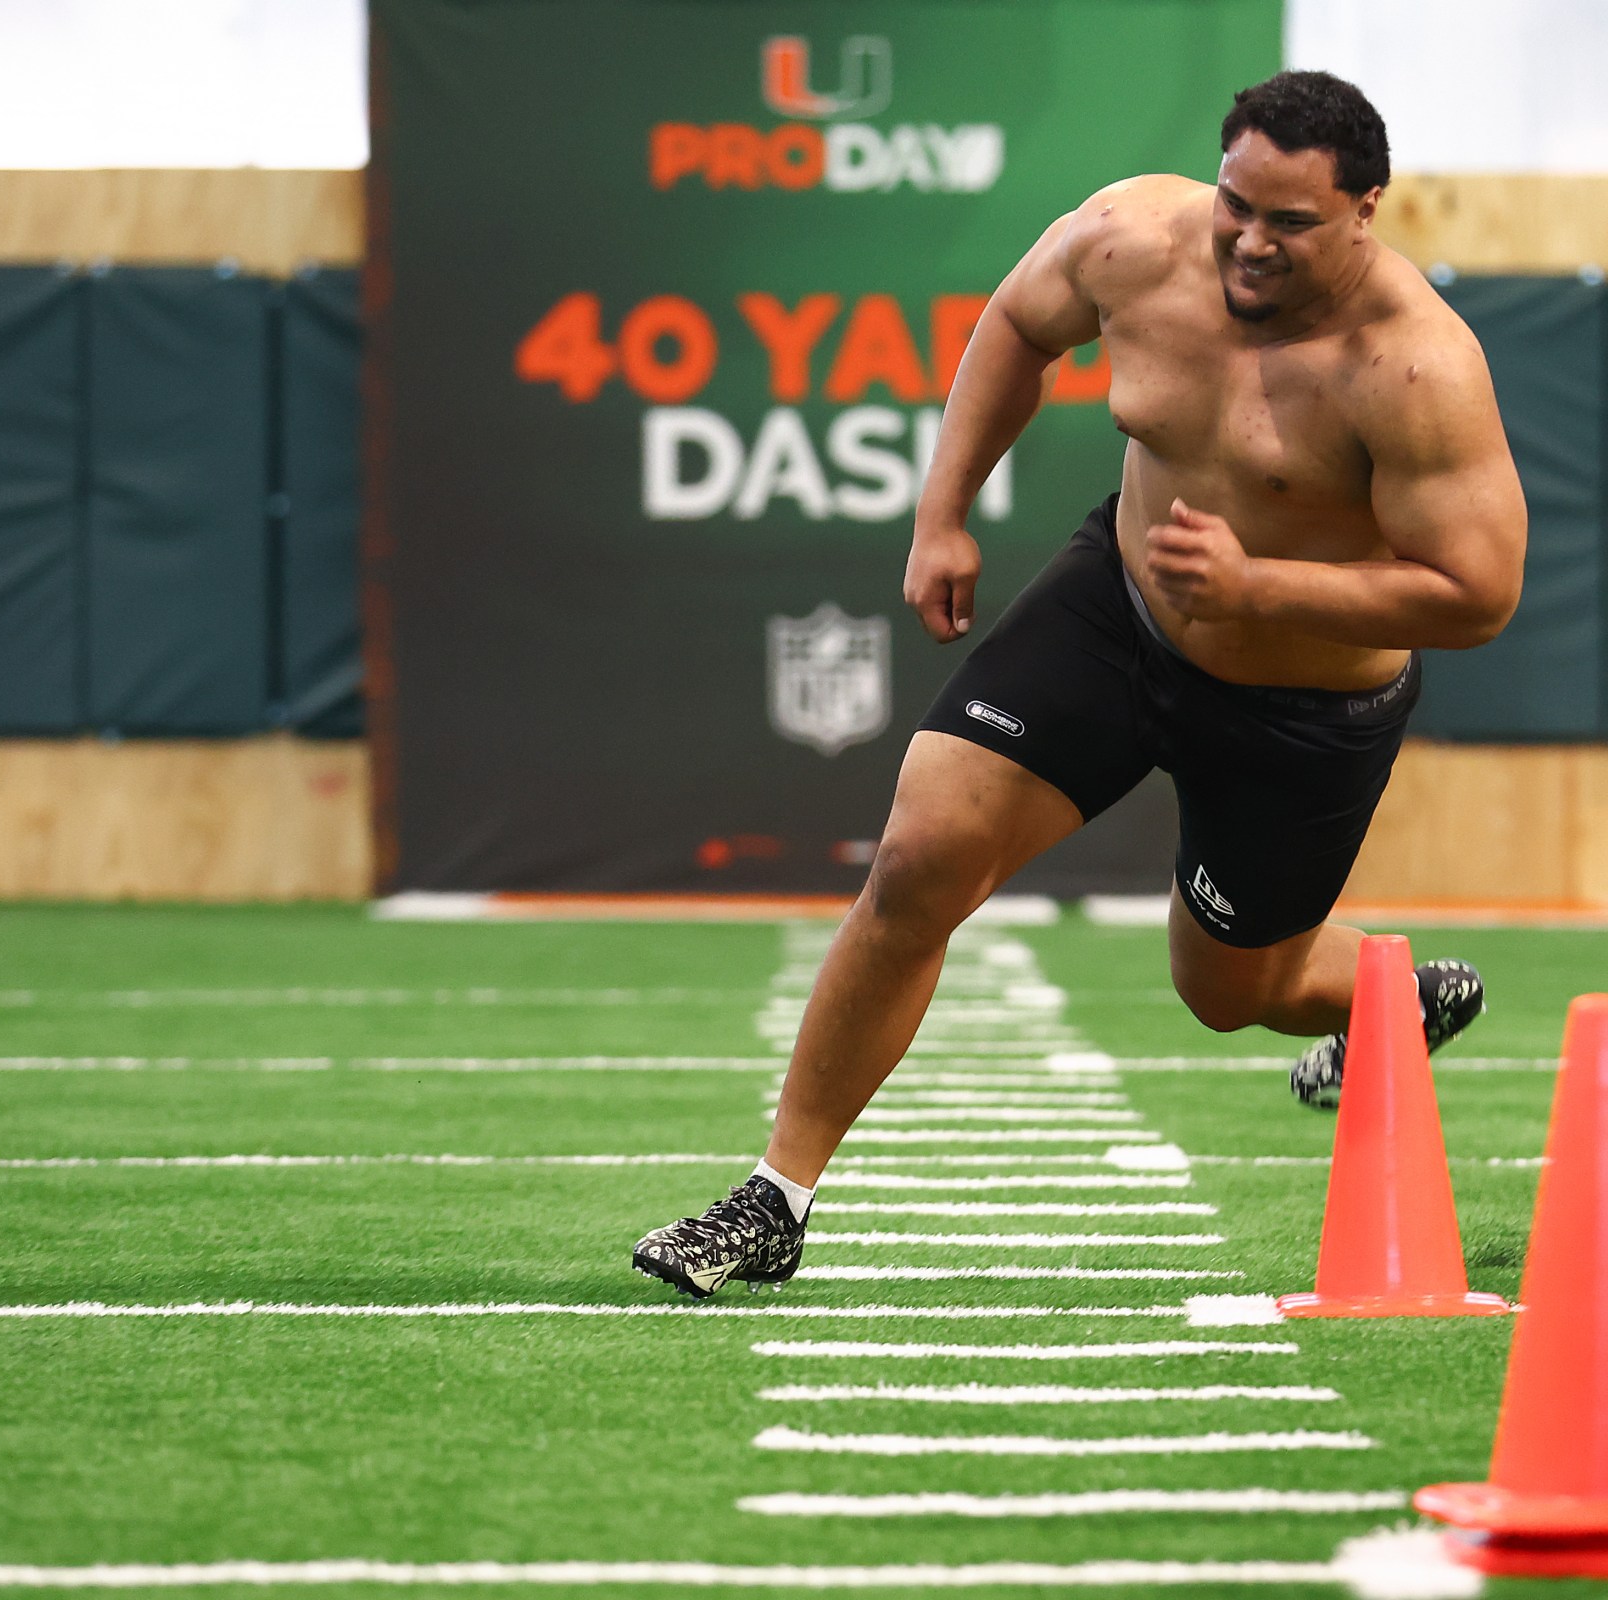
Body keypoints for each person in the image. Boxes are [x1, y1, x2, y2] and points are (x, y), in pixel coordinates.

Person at [632, 70, 1527, 1299]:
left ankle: (1387, 995)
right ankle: (774, 1198)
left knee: (1230, 990)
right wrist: (942, 514)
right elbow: (1016, 323)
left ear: (1366, 209)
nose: (1250, 243)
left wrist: (1260, 587)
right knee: (920, 858)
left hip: (1304, 705)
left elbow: (1477, 594)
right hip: (1124, 606)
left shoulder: (1416, 368)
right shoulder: (1133, 238)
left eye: (1293, 223)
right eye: (1237, 205)